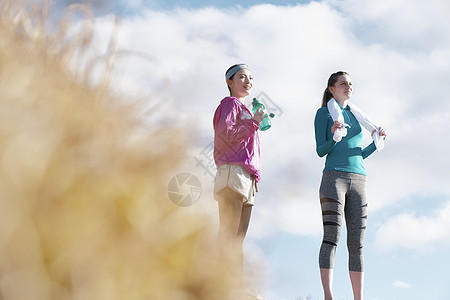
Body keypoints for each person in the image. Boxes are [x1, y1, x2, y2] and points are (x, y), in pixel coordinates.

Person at [314, 71, 387, 300]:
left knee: (357, 243)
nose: (349, 87)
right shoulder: (324, 114)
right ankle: (328, 295)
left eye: (351, 83)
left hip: (359, 180)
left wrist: (376, 142)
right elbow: (321, 151)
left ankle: (358, 297)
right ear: (331, 89)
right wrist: (334, 135)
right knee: (331, 237)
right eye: (343, 83)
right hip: (333, 178)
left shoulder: (355, 116)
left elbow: (358, 154)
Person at [213, 64, 267, 272]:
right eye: (242, 77)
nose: (248, 81)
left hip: (247, 178)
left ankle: (233, 285)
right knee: (229, 232)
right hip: (232, 173)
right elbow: (225, 136)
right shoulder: (230, 103)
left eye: (251, 78)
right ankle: (215, 283)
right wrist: (253, 123)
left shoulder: (245, 110)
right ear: (229, 82)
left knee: (238, 238)